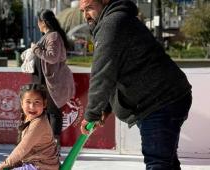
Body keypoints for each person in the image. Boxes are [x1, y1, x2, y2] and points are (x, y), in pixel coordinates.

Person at [79, 0, 192, 169]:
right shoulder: (117, 20)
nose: (86, 15)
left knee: (158, 163)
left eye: (89, 8)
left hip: (159, 101)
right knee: (165, 162)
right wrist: (105, 109)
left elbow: (102, 74)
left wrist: (91, 114)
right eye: (82, 11)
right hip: (166, 97)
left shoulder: (112, 23)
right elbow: (116, 70)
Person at [30, 9, 75, 148]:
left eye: (38, 22)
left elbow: (52, 57)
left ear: (42, 22)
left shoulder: (53, 36)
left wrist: (36, 49)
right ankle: (48, 144)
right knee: (48, 114)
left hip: (52, 83)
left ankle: (54, 146)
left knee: (53, 113)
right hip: (45, 82)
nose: (38, 25)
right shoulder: (49, 36)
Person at [0, 84, 60, 170]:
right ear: (22, 103)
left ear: (44, 103)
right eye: (28, 102)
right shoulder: (29, 118)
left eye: (37, 102)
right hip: (34, 164)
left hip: (42, 166)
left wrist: (6, 163)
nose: (32, 107)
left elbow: (23, 148)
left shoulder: (39, 123)